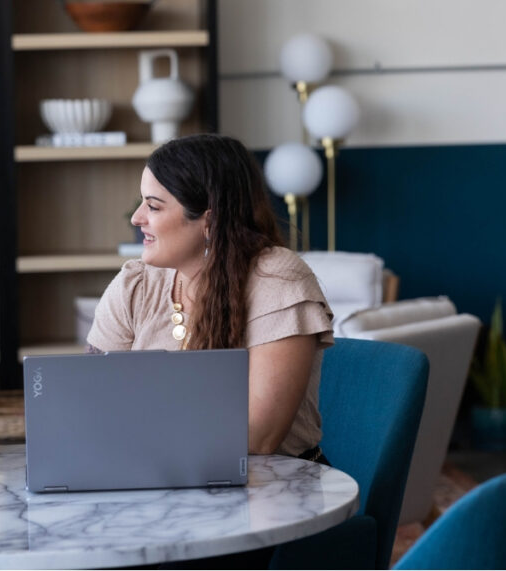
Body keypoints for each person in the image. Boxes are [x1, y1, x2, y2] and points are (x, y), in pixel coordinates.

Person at [87, 134, 334, 461]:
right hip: (162, 481)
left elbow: (258, 437)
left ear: (209, 220)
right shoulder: (135, 284)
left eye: (154, 206)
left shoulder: (278, 279)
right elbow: (91, 407)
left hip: (273, 492)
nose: (137, 219)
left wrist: (137, 420)